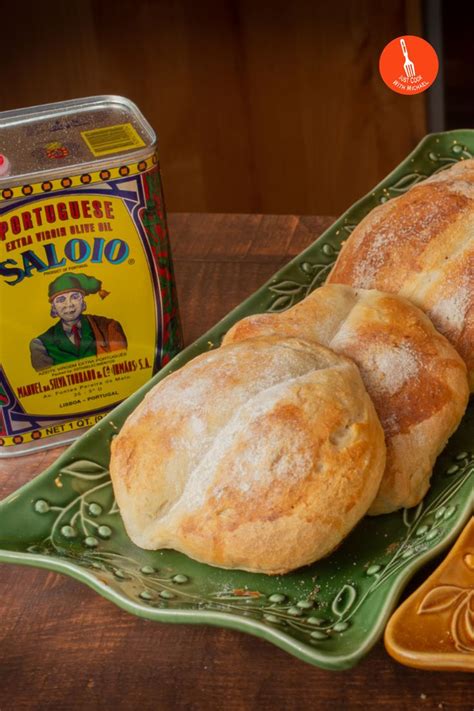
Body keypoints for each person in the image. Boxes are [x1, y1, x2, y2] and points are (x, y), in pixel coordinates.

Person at [30, 272, 127, 372]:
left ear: (83, 302)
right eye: (61, 299)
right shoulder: (40, 345)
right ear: (54, 308)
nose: (69, 304)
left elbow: (122, 366)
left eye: (75, 297)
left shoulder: (108, 327)